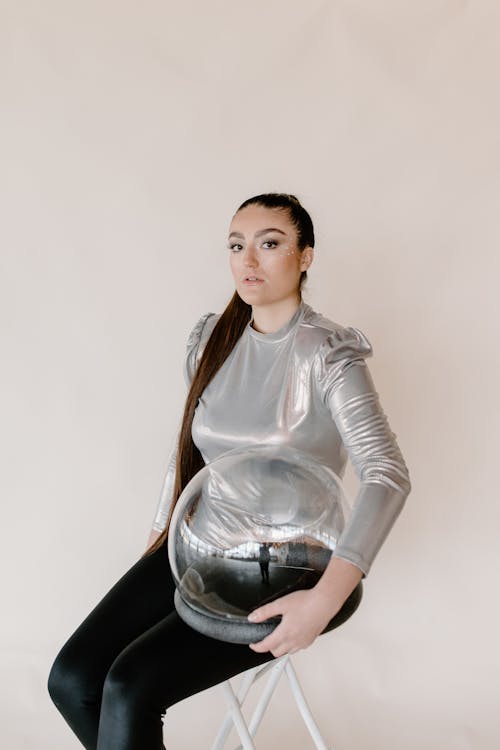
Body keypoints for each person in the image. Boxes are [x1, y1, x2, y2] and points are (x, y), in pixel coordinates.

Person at [47, 193, 411, 749]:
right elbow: (185, 456)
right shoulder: (212, 341)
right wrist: (155, 549)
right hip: (201, 546)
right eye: (237, 246)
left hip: (289, 566)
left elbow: (387, 473)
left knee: (129, 685)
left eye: (270, 244)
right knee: (73, 679)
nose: (249, 261)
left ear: (305, 256)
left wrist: (328, 597)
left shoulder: (327, 353)